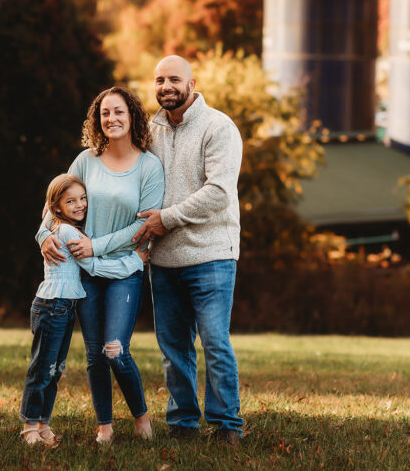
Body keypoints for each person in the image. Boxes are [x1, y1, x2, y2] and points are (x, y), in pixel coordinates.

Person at [38, 86, 165, 443]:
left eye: (119, 111)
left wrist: (96, 246)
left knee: (115, 349)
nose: (111, 119)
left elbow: (143, 226)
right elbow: (54, 205)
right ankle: (105, 426)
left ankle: (141, 417)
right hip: (85, 273)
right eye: (105, 113)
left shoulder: (149, 167)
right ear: (97, 120)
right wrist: (43, 237)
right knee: (95, 354)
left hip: (125, 268)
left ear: (132, 116)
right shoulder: (85, 161)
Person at [131, 55, 245, 446]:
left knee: (215, 341)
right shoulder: (149, 132)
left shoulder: (219, 127)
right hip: (163, 259)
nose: (166, 86)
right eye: (159, 79)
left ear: (192, 83)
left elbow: (217, 193)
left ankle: (227, 425)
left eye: (174, 79)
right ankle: (183, 424)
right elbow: (131, 181)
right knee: (173, 347)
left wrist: (167, 218)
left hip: (212, 253)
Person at [20, 173, 149, 445]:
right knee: (43, 368)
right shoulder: (68, 232)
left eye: (83, 198)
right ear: (56, 207)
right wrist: (135, 262)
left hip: (64, 307)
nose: (80, 205)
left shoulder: (66, 227)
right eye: (71, 201)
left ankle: (43, 425)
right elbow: (94, 266)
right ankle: (30, 427)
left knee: (55, 368)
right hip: (52, 306)